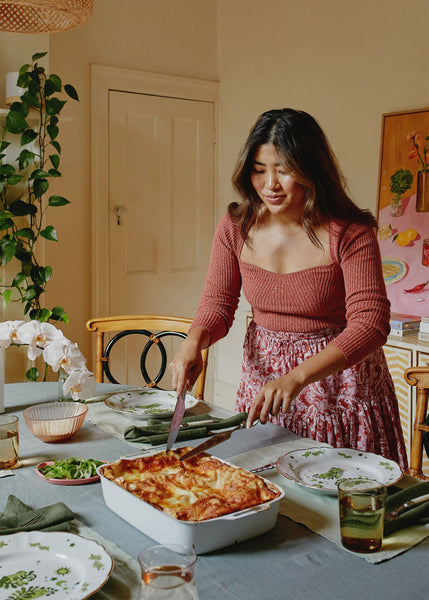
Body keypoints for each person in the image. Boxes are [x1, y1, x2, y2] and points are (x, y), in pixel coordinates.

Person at [169, 108, 408, 471]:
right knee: (261, 494)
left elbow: (371, 323)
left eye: (283, 169)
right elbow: (218, 304)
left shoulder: (350, 233)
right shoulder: (235, 226)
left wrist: (297, 377)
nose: (270, 185)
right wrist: (193, 342)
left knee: (334, 505)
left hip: (340, 389)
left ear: (311, 169)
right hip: (264, 385)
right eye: (259, 170)